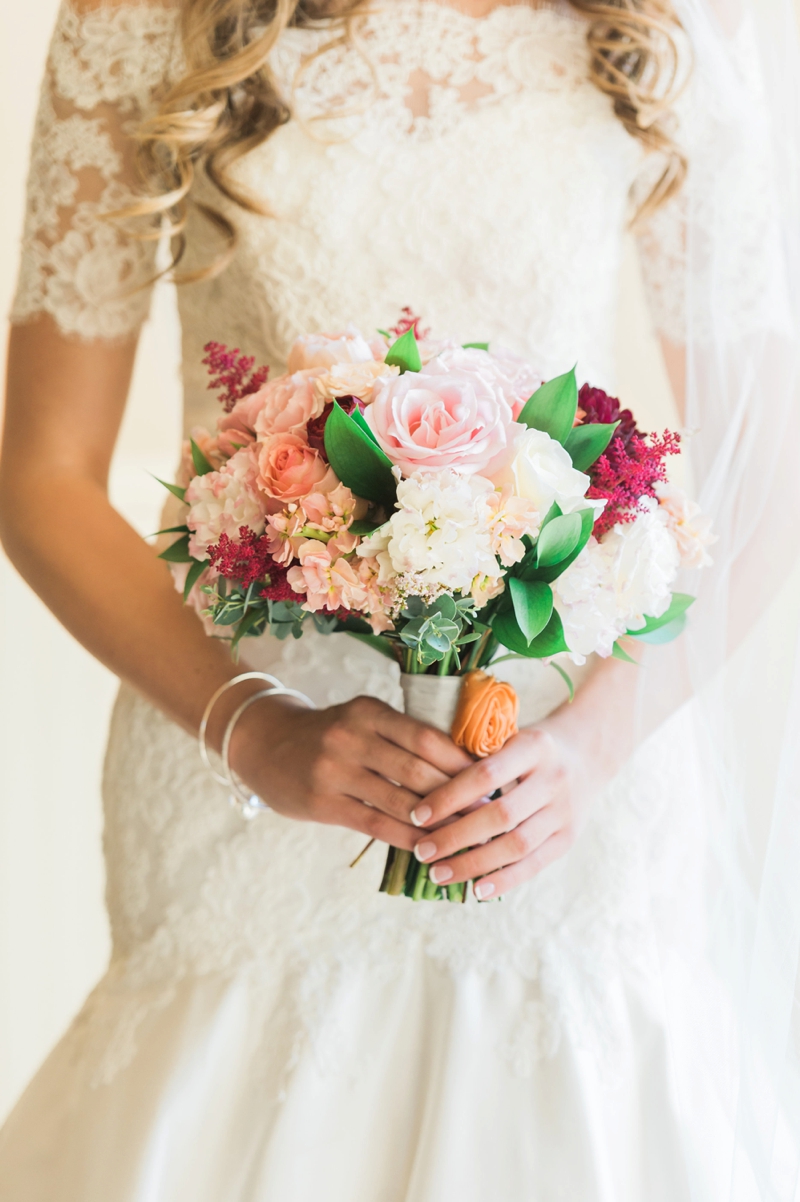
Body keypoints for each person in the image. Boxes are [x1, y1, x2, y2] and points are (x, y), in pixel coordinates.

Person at [1, 0, 799, 1198]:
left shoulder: (664, 25)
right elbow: (41, 472)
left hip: (555, 775)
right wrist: (250, 724)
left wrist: (593, 743)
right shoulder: (140, 20)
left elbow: (762, 466)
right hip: (244, 777)